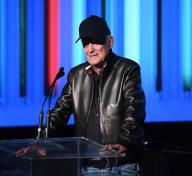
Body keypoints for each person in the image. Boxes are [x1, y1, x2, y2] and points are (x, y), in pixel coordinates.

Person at [49, 15, 146, 176]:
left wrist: (123, 143)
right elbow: (58, 114)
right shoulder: (76, 76)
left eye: (95, 41)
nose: (90, 49)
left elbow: (134, 111)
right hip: (90, 167)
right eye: (85, 43)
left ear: (110, 42)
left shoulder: (128, 70)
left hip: (123, 165)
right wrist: (40, 143)